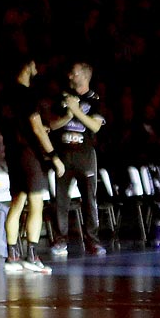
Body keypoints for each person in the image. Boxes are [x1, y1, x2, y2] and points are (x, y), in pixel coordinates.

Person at [1, 57, 58, 274]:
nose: (36, 68)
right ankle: (32, 255)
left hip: (12, 153)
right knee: (36, 203)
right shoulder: (27, 93)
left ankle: (12, 255)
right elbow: (36, 127)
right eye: (34, 65)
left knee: (17, 202)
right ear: (26, 66)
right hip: (29, 154)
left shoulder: (5, 94)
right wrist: (53, 155)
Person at [48, 62, 107, 258]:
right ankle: (60, 241)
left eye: (73, 73)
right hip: (64, 156)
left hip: (85, 156)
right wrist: (69, 113)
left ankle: (93, 241)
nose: (70, 76)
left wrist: (78, 111)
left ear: (84, 75)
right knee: (61, 200)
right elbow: (52, 125)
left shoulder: (96, 99)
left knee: (89, 200)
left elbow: (96, 127)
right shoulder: (63, 98)